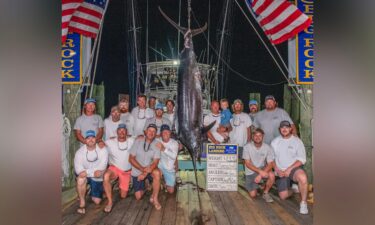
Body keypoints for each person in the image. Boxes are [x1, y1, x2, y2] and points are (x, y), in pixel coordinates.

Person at [271, 121, 309, 214]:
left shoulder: (297, 141)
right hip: (280, 170)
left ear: (291, 129)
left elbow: (301, 159)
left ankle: (303, 203)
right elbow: (271, 159)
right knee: (283, 196)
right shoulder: (275, 142)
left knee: (303, 178)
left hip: (293, 169)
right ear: (279, 129)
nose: (284, 129)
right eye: (282, 127)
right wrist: (277, 170)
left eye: (286, 127)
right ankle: (294, 189)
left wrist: (289, 169)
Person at [74, 130, 108, 214]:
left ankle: (91, 190)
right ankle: (82, 203)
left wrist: (89, 172)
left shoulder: (103, 149)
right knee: (80, 179)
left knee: (97, 201)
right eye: (88, 138)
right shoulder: (79, 153)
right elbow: (79, 171)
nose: (91, 140)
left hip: (97, 176)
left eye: (92, 137)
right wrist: (93, 172)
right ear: (85, 140)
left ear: (96, 139)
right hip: (89, 174)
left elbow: (103, 166)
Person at [129, 124, 163, 210]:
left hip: (150, 169)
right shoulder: (138, 141)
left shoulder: (157, 144)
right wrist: (142, 170)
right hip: (138, 170)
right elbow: (131, 159)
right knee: (138, 196)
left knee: (157, 173)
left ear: (155, 134)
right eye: (149, 130)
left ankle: (155, 198)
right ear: (145, 131)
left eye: (153, 131)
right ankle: (147, 185)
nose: (151, 133)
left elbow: (156, 162)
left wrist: (145, 173)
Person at [102, 124, 135, 213]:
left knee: (123, 195)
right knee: (106, 176)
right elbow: (99, 143)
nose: (121, 132)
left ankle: (115, 184)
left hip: (126, 171)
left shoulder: (132, 140)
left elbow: (143, 138)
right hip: (115, 168)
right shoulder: (110, 142)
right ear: (117, 132)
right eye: (120, 130)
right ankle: (110, 202)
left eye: (123, 130)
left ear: (126, 132)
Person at [242, 128, 275, 203]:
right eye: (255, 135)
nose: (258, 137)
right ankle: (259, 184)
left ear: (263, 136)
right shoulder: (247, 147)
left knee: (272, 175)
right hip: (251, 171)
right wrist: (260, 172)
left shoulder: (268, 147)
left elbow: (271, 164)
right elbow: (247, 164)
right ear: (252, 136)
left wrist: (260, 175)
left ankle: (265, 192)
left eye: (260, 135)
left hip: (261, 168)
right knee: (253, 195)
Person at [157, 124, 179, 193]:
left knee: (171, 191)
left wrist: (163, 149)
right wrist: (141, 137)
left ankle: (163, 182)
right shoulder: (157, 141)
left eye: (167, 131)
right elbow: (147, 137)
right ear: (161, 134)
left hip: (169, 169)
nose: (165, 133)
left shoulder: (174, 143)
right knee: (156, 173)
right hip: (159, 166)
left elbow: (174, 156)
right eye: (163, 132)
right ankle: (157, 180)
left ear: (170, 133)